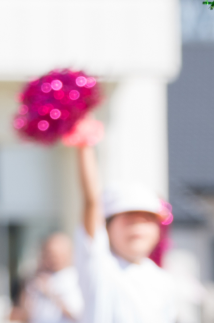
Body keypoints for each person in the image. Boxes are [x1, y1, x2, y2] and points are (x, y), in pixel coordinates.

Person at [67, 120, 176, 323]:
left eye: (146, 219)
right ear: (106, 228)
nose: (137, 227)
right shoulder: (99, 265)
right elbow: (91, 202)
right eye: (128, 219)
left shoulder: (163, 281)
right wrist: (84, 145)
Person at [12, 233, 84, 323]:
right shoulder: (38, 279)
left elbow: (77, 315)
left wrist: (50, 292)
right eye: (46, 252)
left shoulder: (74, 278)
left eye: (52, 253)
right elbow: (24, 315)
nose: (48, 257)